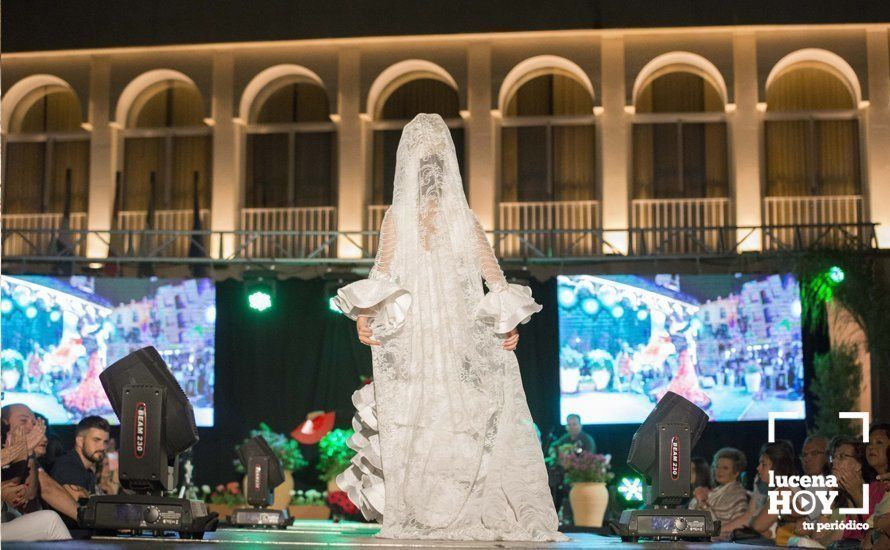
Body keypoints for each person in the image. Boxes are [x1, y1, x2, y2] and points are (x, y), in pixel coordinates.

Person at [332, 113, 568, 542]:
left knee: (441, 421)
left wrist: (505, 326)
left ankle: (437, 512)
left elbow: (487, 279)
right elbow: (490, 280)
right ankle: (433, 511)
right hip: (425, 342)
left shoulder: (412, 219)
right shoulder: (436, 219)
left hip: (443, 343)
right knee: (443, 421)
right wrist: (505, 323)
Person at [50, 415, 117, 501]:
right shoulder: (67, 466)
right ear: (80, 441)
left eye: (105, 442)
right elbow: (83, 508)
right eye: (96, 440)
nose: (102, 447)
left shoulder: (87, 471)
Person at [689, 447, 749, 540]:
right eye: (717, 466)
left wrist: (703, 502)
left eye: (725, 468)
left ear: (736, 473)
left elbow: (729, 530)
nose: (719, 471)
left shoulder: (738, 494)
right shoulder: (713, 491)